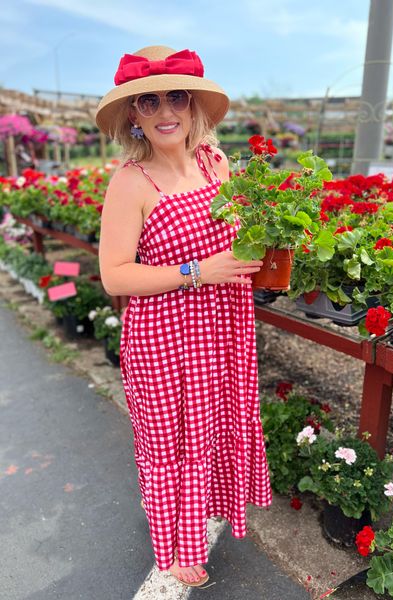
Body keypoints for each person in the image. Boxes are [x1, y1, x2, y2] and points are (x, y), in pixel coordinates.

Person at [96, 45, 272, 587]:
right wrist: (198, 270)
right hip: (164, 340)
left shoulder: (216, 164)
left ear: (194, 105)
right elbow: (115, 276)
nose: (165, 111)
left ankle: (200, 521)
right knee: (169, 444)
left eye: (176, 96)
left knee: (211, 430)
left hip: (222, 327)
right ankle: (176, 551)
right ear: (133, 115)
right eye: (149, 101)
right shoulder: (131, 182)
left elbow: (236, 243)